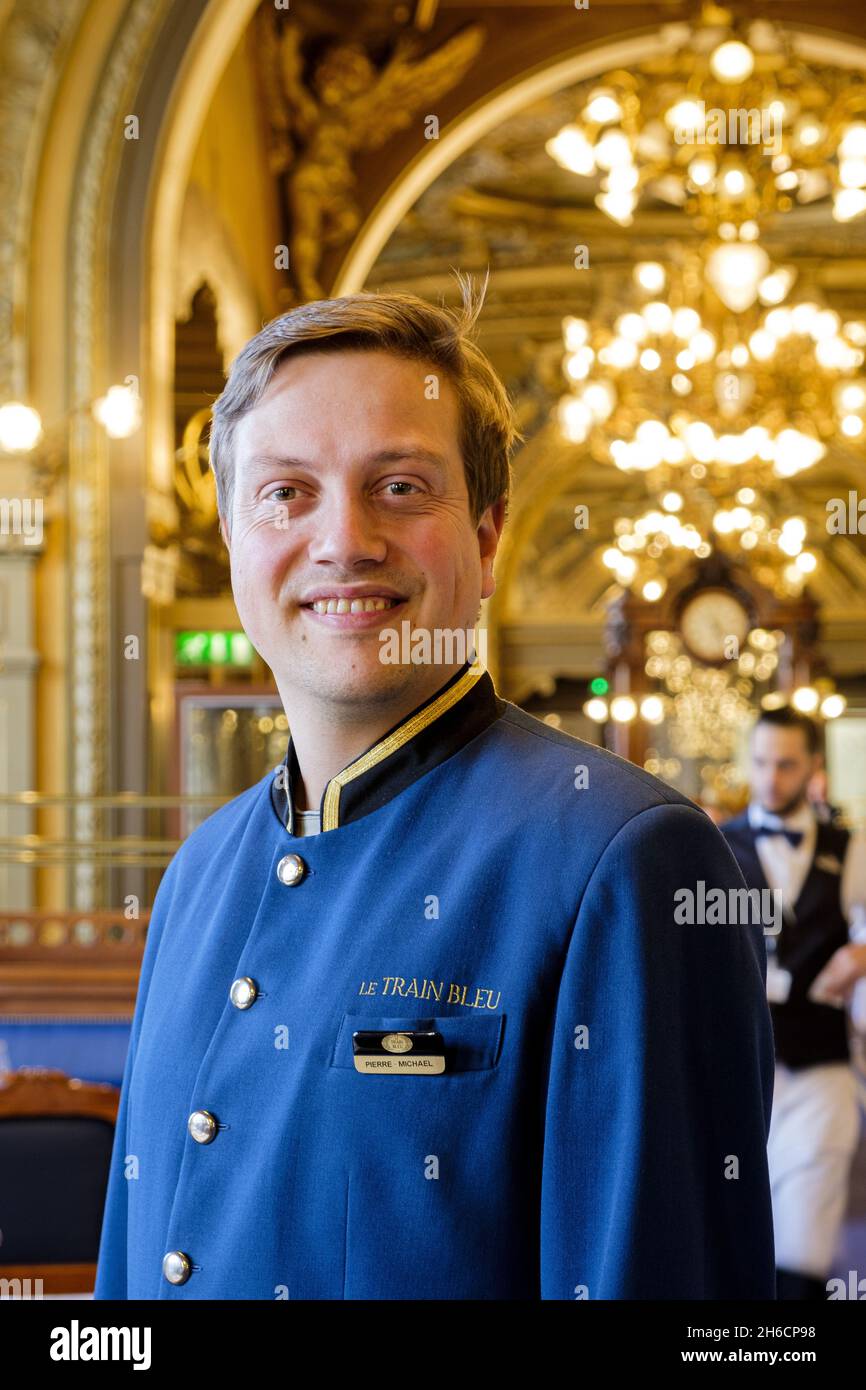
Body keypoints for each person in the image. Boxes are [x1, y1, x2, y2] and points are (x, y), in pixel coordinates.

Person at [94, 279, 775, 1300]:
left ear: (489, 534)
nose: (342, 540)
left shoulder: (622, 856)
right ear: (234, 538)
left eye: (400, 486)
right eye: (286, 492)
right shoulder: (197, 872)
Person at [721, 706, 866, 1300]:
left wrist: (861, 953)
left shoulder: (849, 847)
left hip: (820, 1069)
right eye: (760, 763)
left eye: (785, 765)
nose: (770, 778)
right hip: (735, 1072)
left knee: (804, 1241)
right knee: (736, 1232)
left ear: (812, 768)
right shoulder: (713, 844)